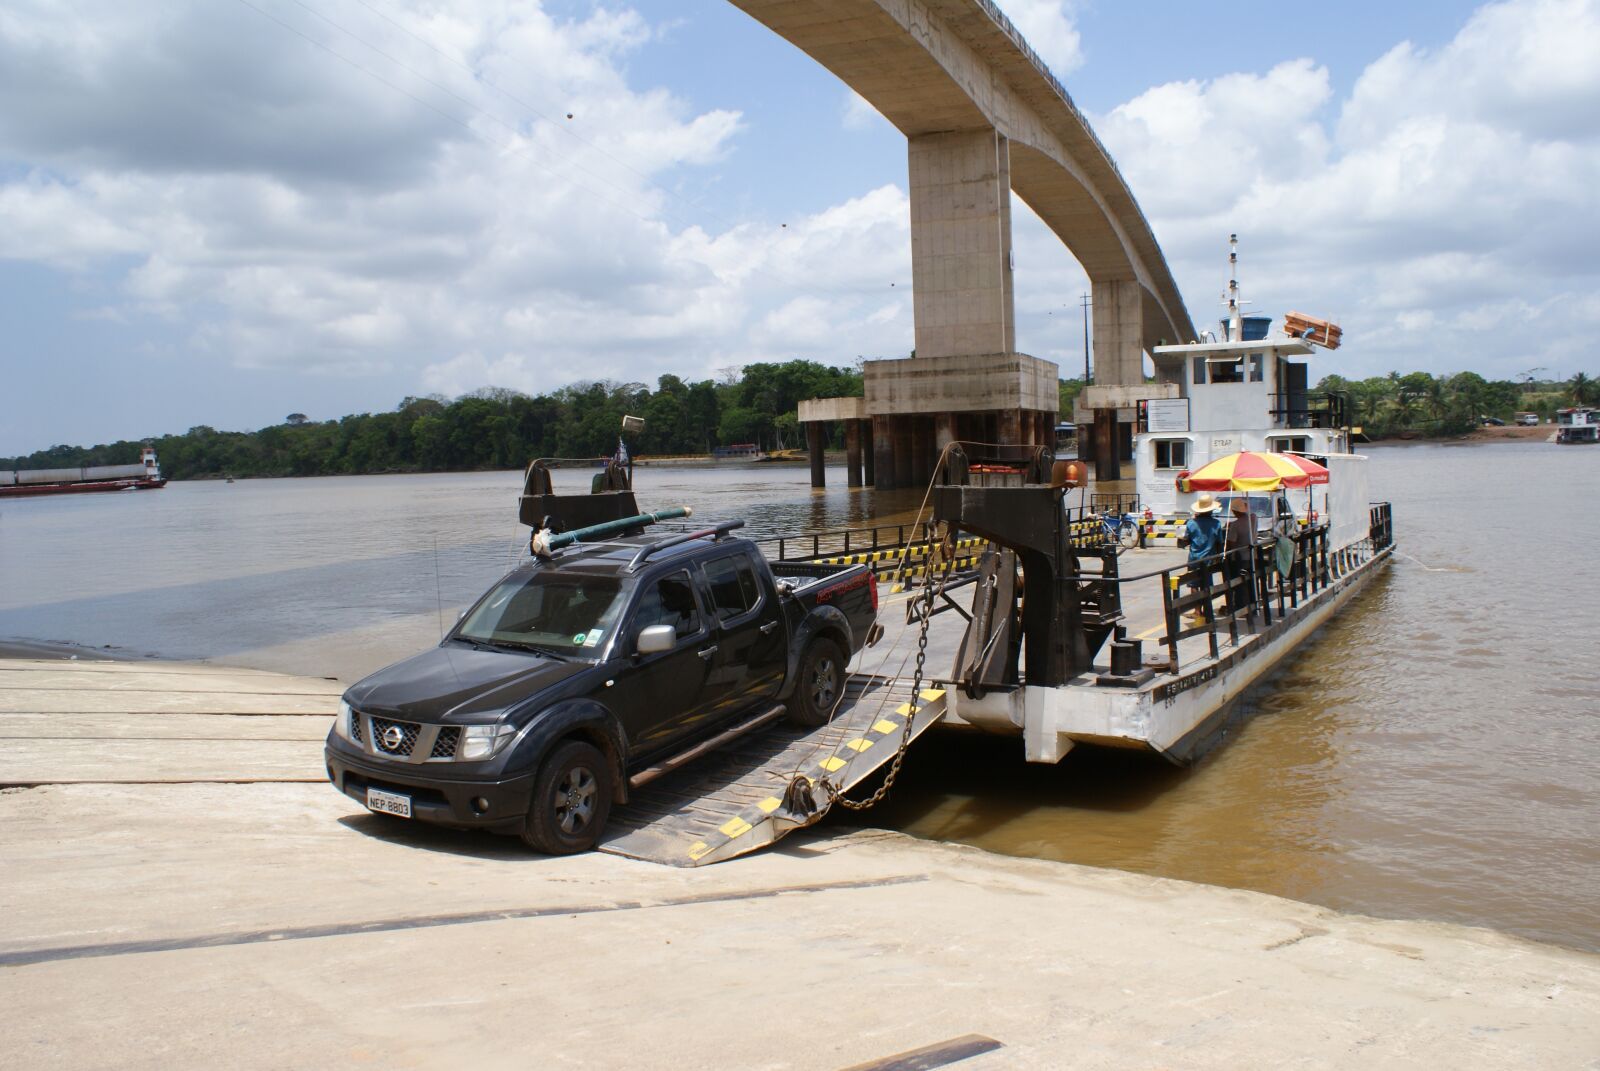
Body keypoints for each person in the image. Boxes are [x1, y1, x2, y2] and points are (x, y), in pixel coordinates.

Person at [1177, 494, 1224, 627]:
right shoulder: (1216, 523)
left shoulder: (1192, 523)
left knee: (1193, 585)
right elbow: (1219, 542)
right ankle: (1208, 611)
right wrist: (1219, 557)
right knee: (1206, 584)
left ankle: (1197, 611)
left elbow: (1186, 539)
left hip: (1194, 558)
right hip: (1208, 559)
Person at [1224, 497, 1257, 614]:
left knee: (1239, 584)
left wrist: (1229, 528)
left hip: (1240, 557)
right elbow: (1251, 514)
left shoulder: (1235, 525)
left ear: (1235, 512)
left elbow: (1231, 542)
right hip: (1252, 555)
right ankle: (1253, 604)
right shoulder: (1253, 519)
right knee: (1251, 582)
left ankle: (1240, 606)